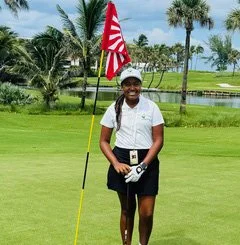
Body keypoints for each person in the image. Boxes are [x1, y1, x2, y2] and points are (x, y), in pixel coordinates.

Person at [99, 67, 164, 245]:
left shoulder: (151, 107)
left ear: (141, 86)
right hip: (122, 162)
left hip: (147, 162)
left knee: (147, 212)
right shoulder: (114, 109)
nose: (132, 88)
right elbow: (104, 141)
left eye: (135, 83)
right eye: (128, 84)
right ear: (122, 87)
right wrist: (116, 163)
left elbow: (158, 140)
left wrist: (142, 166)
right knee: (127, 209)